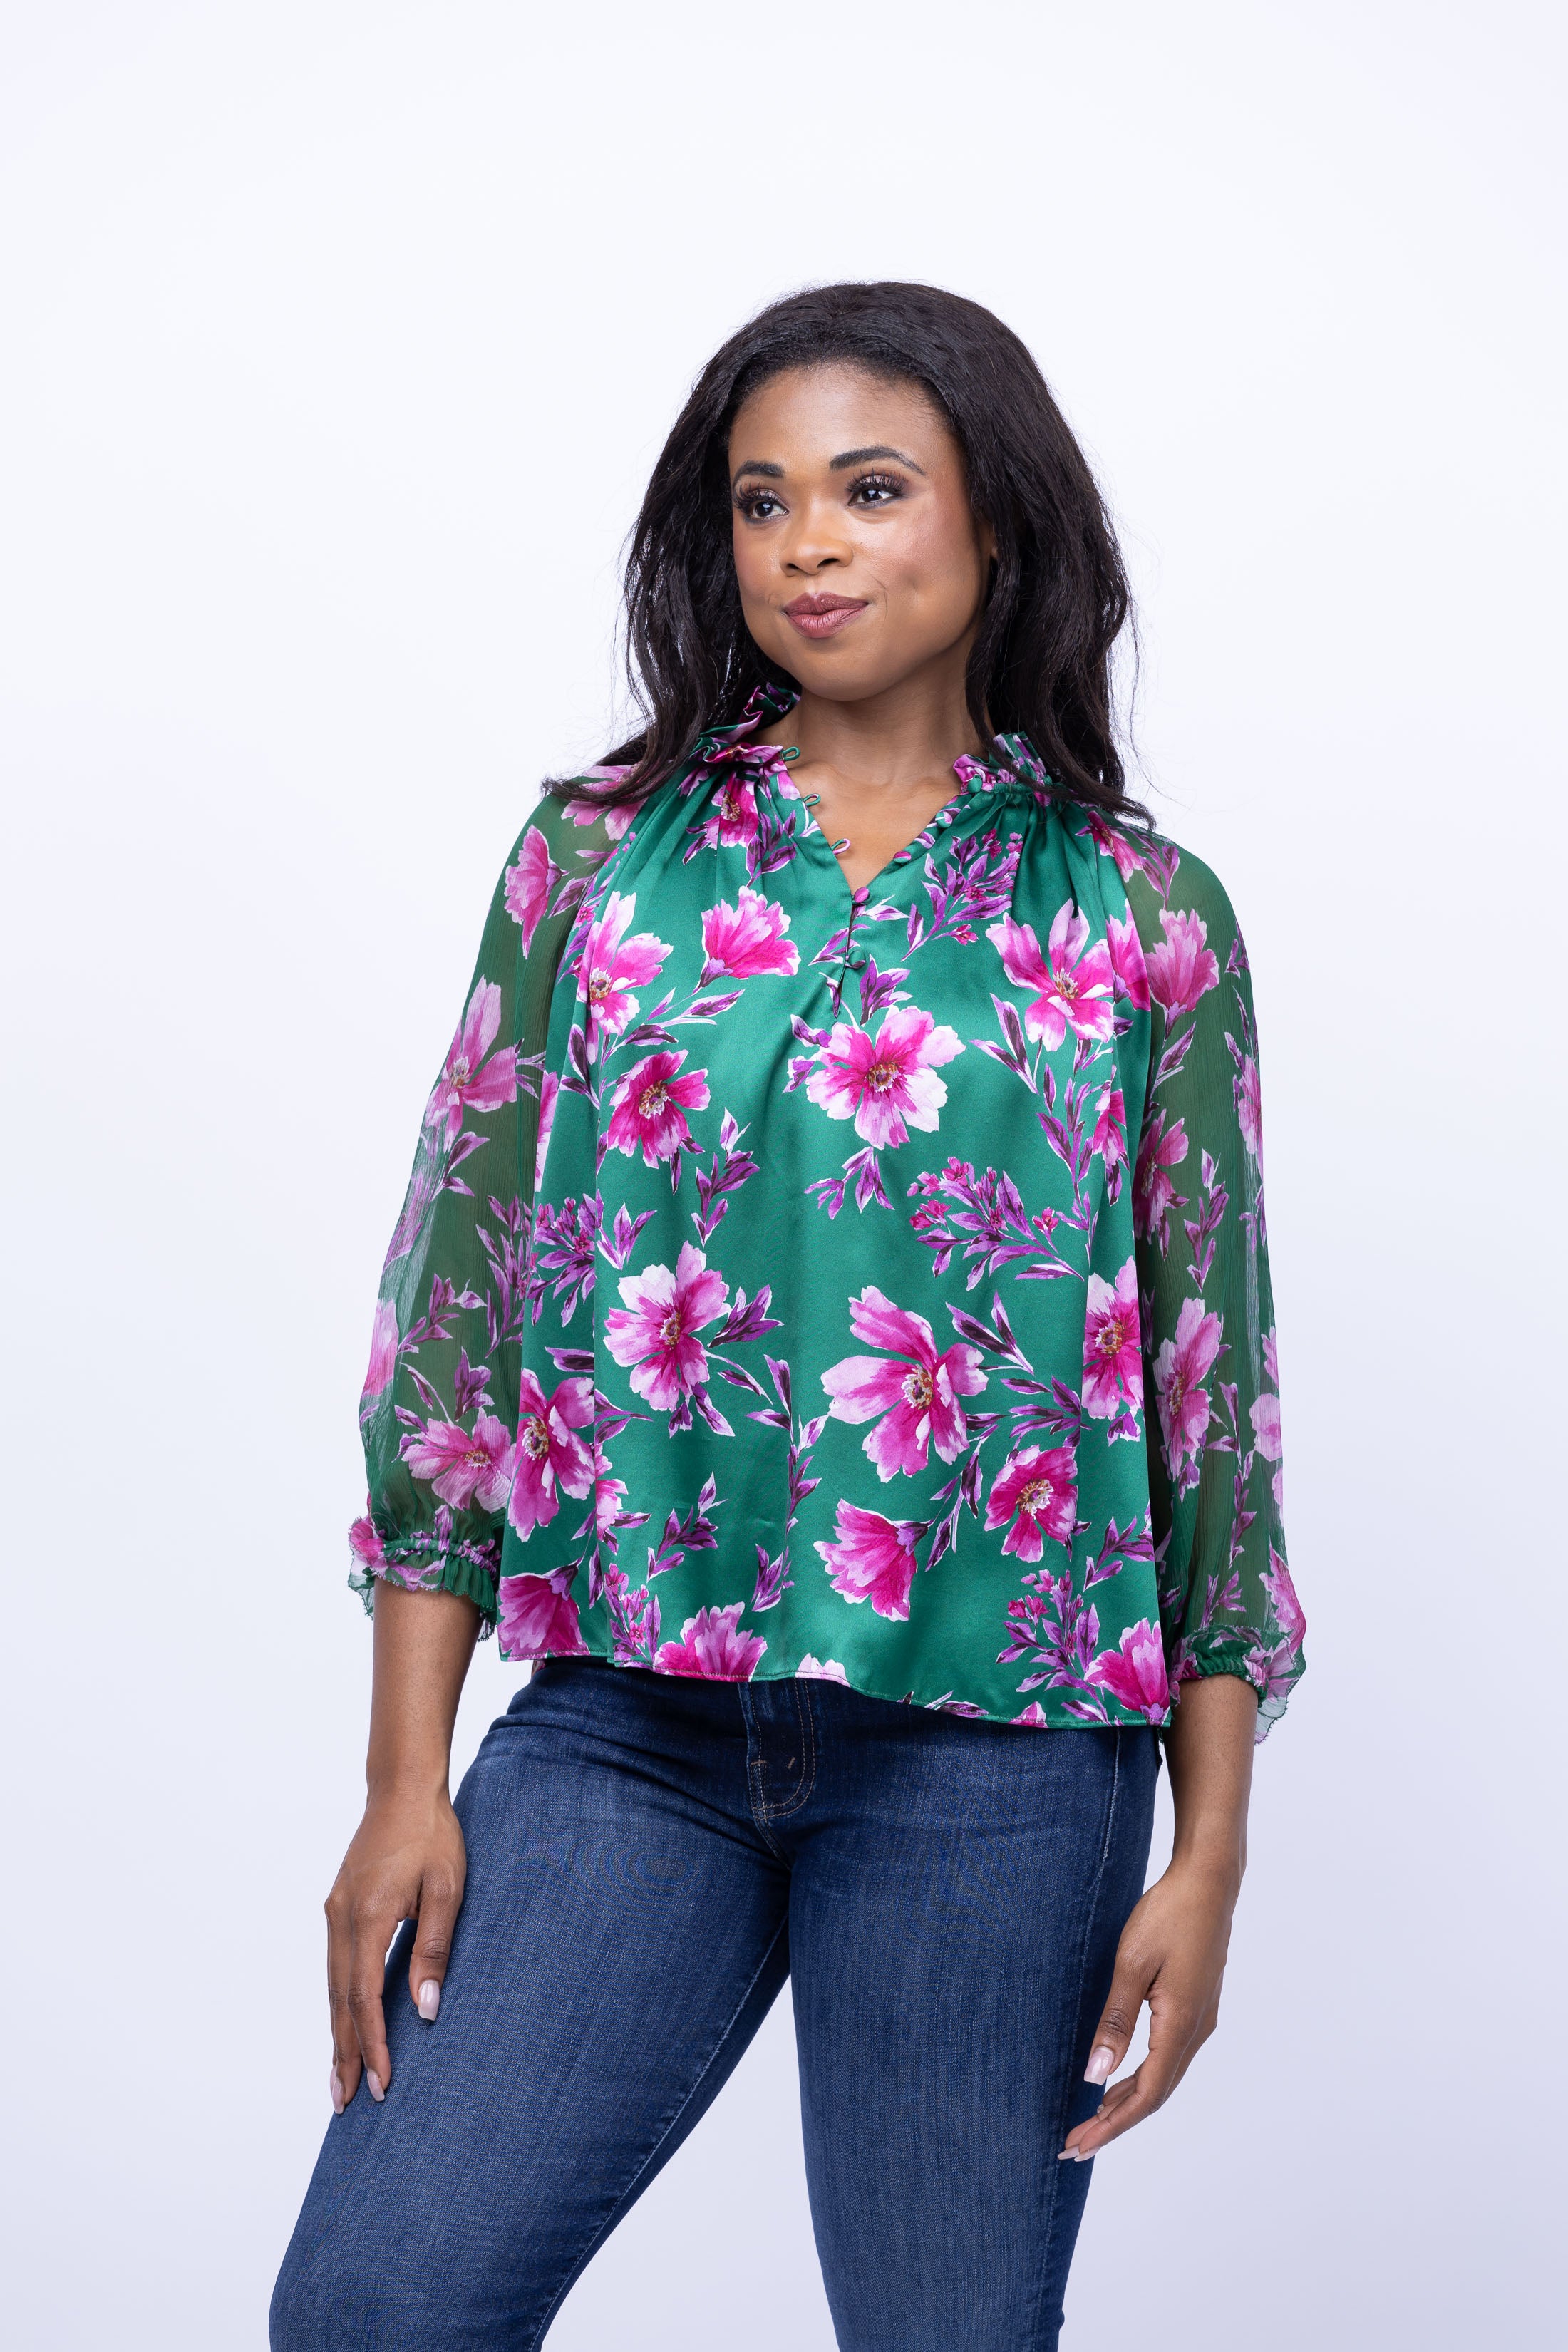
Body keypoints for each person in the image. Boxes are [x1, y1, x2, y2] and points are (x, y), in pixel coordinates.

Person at [270, 281, 1303, 2352]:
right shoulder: (593, 863)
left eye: (869, 490)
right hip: (624, 1721)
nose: (807, 544)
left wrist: (1209, 1857)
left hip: (1003, 1760)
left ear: (999, 519)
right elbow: (460, 1306)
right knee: (378, 2307)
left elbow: (1212, 1399)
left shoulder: (1140, 914)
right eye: (763, 502)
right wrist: (404, 1775)